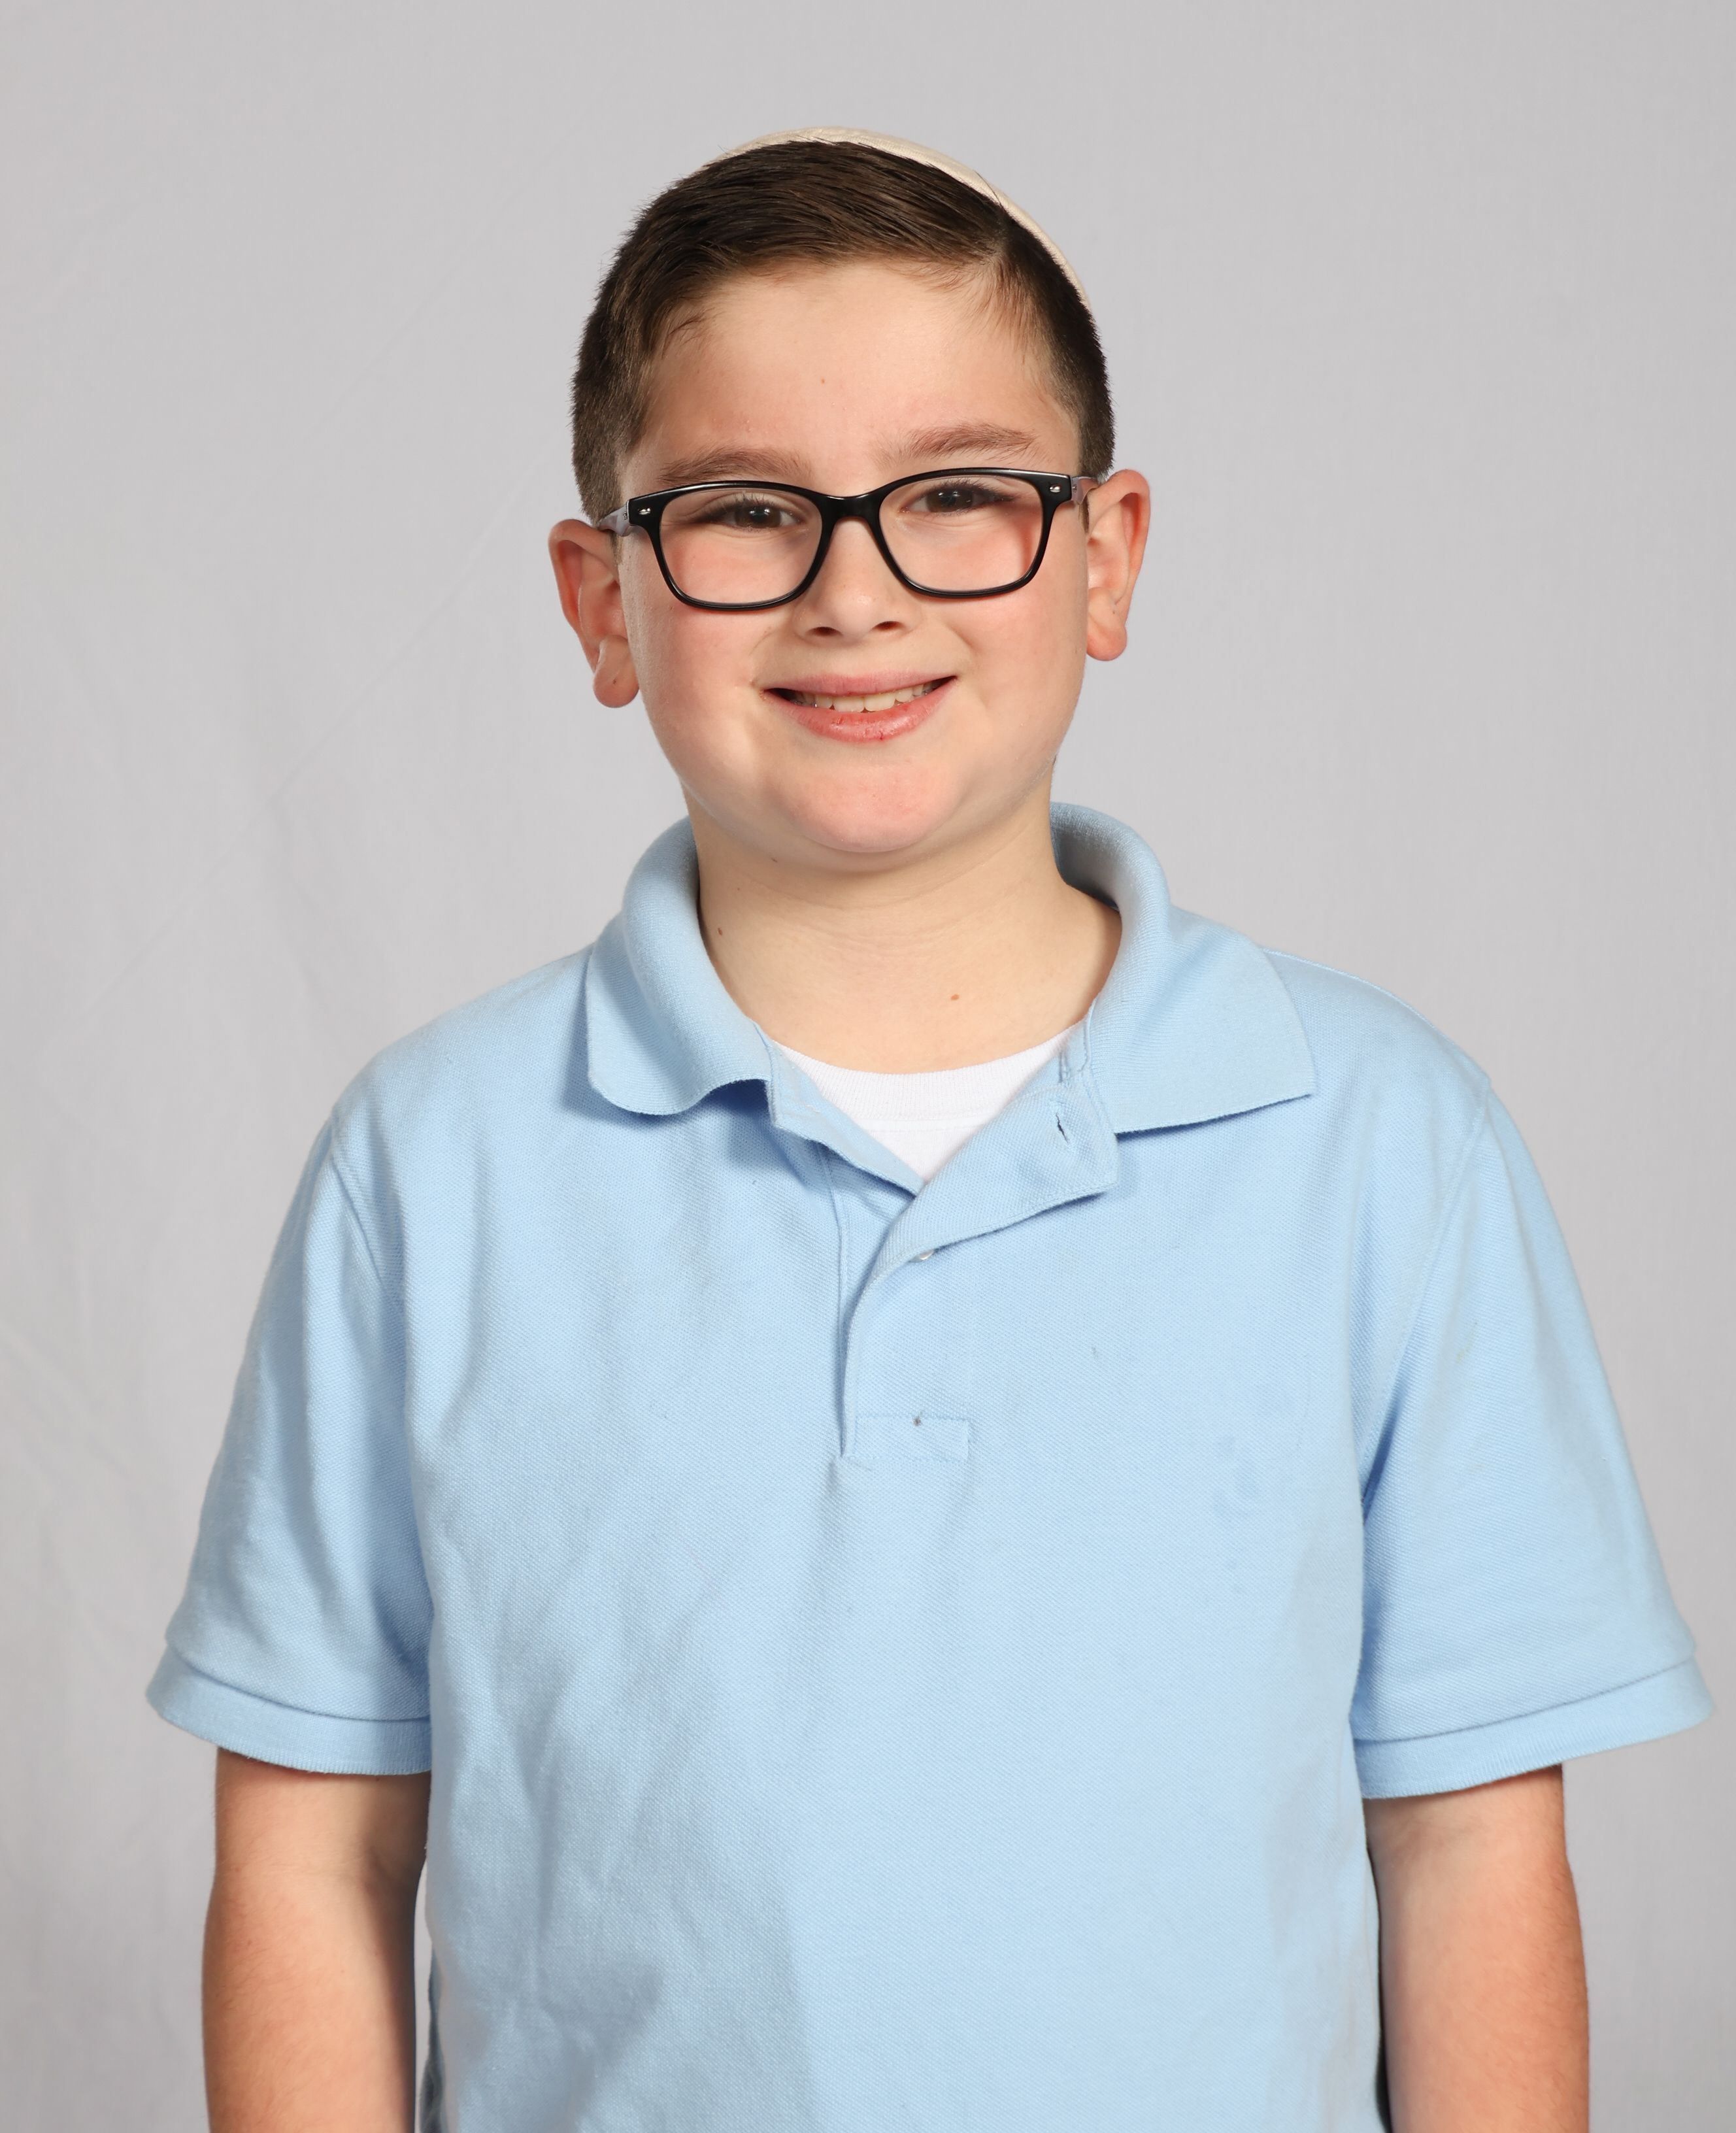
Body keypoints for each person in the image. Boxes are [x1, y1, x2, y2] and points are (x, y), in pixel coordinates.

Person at [149, 131, 1710, 2133]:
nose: (855, 592)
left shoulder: (1381, 1142)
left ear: (1105, 557)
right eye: (743, 512)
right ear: (604, 600)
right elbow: (315, 1852)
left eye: (958, 495)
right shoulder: (434, 1167)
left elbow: (1471, 1848)